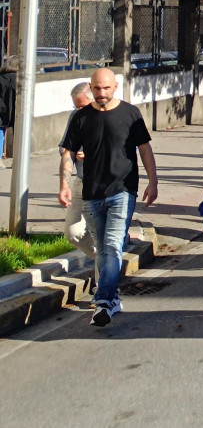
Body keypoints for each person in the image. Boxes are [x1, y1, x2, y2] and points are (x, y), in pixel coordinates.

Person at [58, 68, 157, 328]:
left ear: (115, 87)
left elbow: (145, 148)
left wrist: (153, 181)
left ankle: (102, 300)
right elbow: (67, 152)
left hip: (123, 190)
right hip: (92, 193)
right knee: (103, 249)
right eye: (97, 88)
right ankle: (112, 298)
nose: (102, 93)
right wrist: (64, 183)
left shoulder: (130, 113)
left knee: (112, 245)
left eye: (106, 88)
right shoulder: (81, 117)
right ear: (90, 88)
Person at [60, 83, 97, 267]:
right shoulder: (76, 117)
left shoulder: (110, 115)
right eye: (76, 107)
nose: (79, 110)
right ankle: (108, 260)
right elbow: (66, 150)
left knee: (100, 233)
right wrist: (63, 185)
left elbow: (121, 153)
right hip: (81, 181)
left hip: (104, 186)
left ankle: (104, 288)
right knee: (73, 233)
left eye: (83, 106)